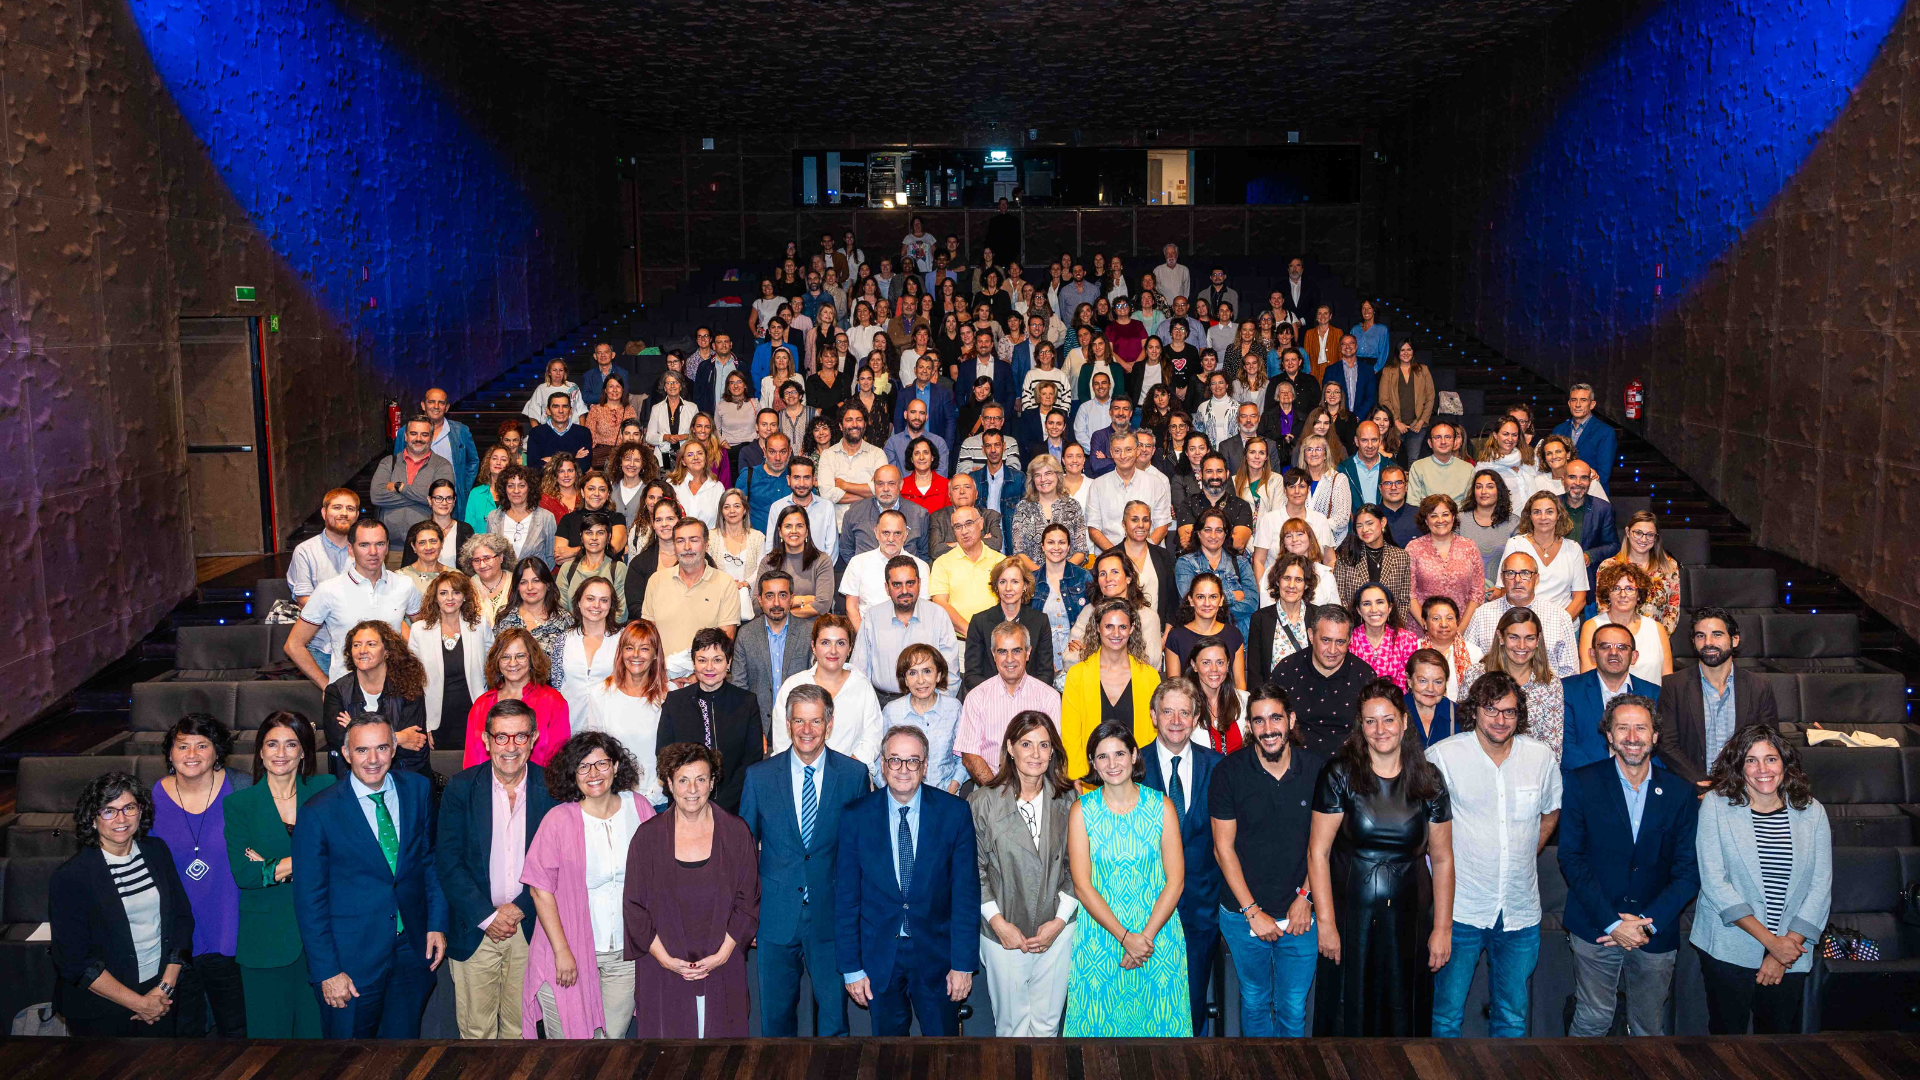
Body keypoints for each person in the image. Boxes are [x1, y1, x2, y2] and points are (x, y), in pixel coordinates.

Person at [1307, 679, 1454, 1036]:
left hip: (1412, 920)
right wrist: (1325, 923)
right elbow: (1318, 851)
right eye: (1370, 721)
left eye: (1388, 719)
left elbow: (1444, 859)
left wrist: (1442, 929)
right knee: (1347, 1015)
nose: (1380, 729)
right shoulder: (1339, 774)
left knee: (1405, 1014)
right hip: (1348, 918)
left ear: (1405, 722)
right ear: (1361, 726)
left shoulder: (1429, 779)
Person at [1425, 671, 1561, 1038]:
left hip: (1520, 911)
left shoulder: (1540, 757)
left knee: (1513, 1017)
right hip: (1460, 910)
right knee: (1446, 1017)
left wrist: (1529, 848)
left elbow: (1551, 810)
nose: (1501, 720)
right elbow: (1423, 826)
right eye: (1491, 710)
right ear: (1474, 712)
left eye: (1510, 712)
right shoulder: (1443, 757)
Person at [294, 714, 448, 1039]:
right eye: (362, 750)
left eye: (381, 747)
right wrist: (327, 971)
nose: (373, 759)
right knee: (349, 1060)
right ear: (346, 754)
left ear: (394, 747)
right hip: (350, 963)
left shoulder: (418, 789)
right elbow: (310, 902)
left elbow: (429, 861)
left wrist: (435, 923)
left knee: (402, 1054)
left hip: (411, 950)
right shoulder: (318, 812)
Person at [1558, 694, 1699, 1036]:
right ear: (1609, 735)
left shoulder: (1680, 793)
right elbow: (1571, 858)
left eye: (1641, 728)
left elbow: (1688, 872)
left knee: (1649, 1027)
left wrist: (1647, 926)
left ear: (1655, 736)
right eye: (1623, 728)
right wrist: (1611, 923)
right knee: (1593, 1019)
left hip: (1656, 930)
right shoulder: (1581, 782)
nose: (1632, 737)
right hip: (1595, 926)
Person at [738, 685, 872, 1037]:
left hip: (832, 917)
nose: (807, 730)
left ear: (829, 723)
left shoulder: (854, 776)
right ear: (787, 723)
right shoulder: (760, 776)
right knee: (776, 1021)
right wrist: (747, 915)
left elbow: (863, 855)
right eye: (799, 720)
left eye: (815, 720)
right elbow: (745, 851)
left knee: (834, 1021)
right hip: (775, 916)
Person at [835, 725, 980, 1036]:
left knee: (944, 1058)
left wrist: (963, 964)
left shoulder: (954, 813)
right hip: (878, 959)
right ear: (883, 765)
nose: (903, 769)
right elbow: (846, 898)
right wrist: (851, 968)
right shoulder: (855, 816)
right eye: (895, 760)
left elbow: (966, 896)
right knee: (888, 1060)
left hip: (938, 958)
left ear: (925, 766)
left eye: (912, 761)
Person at [1690, 725, 1832, 1035]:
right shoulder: (1716, 805)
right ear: (1738, 766)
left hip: (1793, 949)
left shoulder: (1812, 812)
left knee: (1778, 1044)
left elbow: (1820, 887)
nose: (1762, 769)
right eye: (1751, 760)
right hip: (1728, 948)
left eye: (1771, 759)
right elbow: (1715, 882)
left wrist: (1785, 949)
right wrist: (1771, 944)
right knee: (1728, 1041)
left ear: (1785, 763)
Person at [520, 731, 656, 1039]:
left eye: (601, 764)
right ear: (573, 774)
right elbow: (540, 890)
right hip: (567, 953)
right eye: (583, 766)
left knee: (609, 1046)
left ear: (617, 766)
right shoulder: (558, 820)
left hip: (626, 953)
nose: (593, 773)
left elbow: (659, 878)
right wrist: (563, 951)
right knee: (569, 1052)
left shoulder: (640, 809)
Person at [436, 700, 559, 1039]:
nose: (511, 747)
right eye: (501, 737)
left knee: (521, 1032)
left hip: (530, 929)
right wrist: (488, 917)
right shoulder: (460, 788)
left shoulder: (552, 789)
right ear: (485, 740)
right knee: (477, 1033)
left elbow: (557, 865)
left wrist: (518, 909)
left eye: (520, 737)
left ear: (533, 739)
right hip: (475, 928)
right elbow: (448, 861)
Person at [621, 742, 760, 1038]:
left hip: (723, 965)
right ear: (669, 784)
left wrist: (722, 955)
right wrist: (666, 959)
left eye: (700, 779)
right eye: (683, 780)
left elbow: (748, 901)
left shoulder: (736, 833)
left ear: (712, 782)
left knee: (722, 1060)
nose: (692, 789)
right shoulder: (647, 837)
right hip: (662, 967)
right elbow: (634, 907)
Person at [1063, 720, 1192, 1036]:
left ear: (1134, 755)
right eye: (1102, 756)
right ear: (1093, 763)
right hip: (1102, 941)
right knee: (1098, 1050)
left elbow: (1175, 881)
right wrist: (1126, 938)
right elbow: (1082, 885)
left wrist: (1143, 939)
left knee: (1161, 1049)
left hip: (1157, 940)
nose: (1112, 764)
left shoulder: (1162, 806)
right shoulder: (1082, 811)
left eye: (1119, 753)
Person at [50, 772, 195, 1037]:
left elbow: (182, 920)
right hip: (101, 1009)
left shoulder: (156, 851)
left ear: (140, 812)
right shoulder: (70, 877)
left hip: (161, 996)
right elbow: (74, 962)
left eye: (129, 807)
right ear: (92, 819)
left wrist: (164, 989)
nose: (121, 819)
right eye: (108, 811)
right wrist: (139, 1003)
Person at [969, 710, 1078, 1037]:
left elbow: (1078, 867)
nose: (1035, 753)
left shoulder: (1068, 798)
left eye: (1044, 745)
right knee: (1012, 1028)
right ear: (1010, 748)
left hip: (1057, 931)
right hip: (1002, 932)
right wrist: (1000, 925)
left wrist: (1058, 923)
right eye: (1026, 744)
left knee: (1047, 1027)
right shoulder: (982, 801)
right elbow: (975, 871)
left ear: (1053, 751)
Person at [1132, 678, 1225, 1034]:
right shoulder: (1130, 765)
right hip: (1144, 910)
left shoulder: (1217, 766)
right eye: (1167, 711)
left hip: (1201, 908)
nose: (1175, 720)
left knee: (1192, 1006)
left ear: (1196, 717)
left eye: (1184, 712)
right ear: (1153, 716)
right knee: (1148, 1007)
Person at [146, 714, 248, 1036]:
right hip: (178, 937)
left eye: (202, 745)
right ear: (170, 754)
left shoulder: (242, 788)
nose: (192, 754)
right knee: (186, 1034)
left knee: (237, 1030)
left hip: (232, 927)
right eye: (183, 746)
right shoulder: (150, 799)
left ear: (217, 751)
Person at [285, 518, 422, 689]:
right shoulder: (328, 590)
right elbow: (293, 645)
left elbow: (425, 631)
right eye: (364, 545)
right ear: (351, 548)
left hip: (394, 690)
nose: (373, 552)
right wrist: (327, 686)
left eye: (379, 544)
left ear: (387, 547)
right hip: (346, 692)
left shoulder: (405, 585)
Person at [1655, 607, 1780, 788]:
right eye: (1700, 636)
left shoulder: (1759, 687)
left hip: (1745, 788)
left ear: (1734, 640)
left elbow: (1768, 742)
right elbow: (1666, 743)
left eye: (1717, 635)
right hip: (1692, 788)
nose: (1708, 642)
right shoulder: (1673, 685)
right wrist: (1700, 782)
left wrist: (1737, 783)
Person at [657, 628, 764, 813]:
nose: (709, 668)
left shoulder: (747, 702)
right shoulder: (675, 702)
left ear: (729, 662)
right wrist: (690, 799)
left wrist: (720, 805)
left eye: (717, 660)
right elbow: (664, 758)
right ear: (693, 662)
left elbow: (752, 761)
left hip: (735, 808)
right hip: (684, 807)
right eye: (702, 660)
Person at [1059, 598, 1162, 781]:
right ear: (1097, 628)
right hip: (1090, 783)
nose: (1116, 633)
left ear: (1131, 629)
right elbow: (1071, 737)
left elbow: (1155, 736)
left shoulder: (1149, 676)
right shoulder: (1077, 675)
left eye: (1122, 627)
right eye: (1109, 626)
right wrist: (1076, 780)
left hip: (1139, 783)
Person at [954, 616, 1065, 784]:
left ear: (1028, 653)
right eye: (1002, 651)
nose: (1009, 659)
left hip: (1039, 787)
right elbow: (970, 755)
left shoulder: (1049, 698)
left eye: (1016, 650)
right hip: (990, 788)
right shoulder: (976, 698)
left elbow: (1054, 752)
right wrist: (997, 793)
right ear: (993, 654)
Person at [576, 620, 671, 807]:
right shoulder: (601, 693)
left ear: (655, 655)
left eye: (644, 648)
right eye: (629, 648)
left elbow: (672, 754)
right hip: (613, 800)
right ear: (621, 652)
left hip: (658, 801)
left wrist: (654, 793)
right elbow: (596, 751)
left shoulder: (669, 695)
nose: (635, 655)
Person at [770, 615, 885, 765]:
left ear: (850, 648)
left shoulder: (862, 686)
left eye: (841, 643)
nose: (833, 651)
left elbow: (873, 738)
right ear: (813, 646)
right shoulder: (793, 685)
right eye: (825, 643)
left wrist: (845, 771)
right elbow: (782, 742)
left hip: (850, 776)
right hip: (800, 777)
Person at [323, 621, 430, 778]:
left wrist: (354, 728)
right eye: (357, 645)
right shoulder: (336, 692)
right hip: (352, 779)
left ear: (386, 651)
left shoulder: (409, 687)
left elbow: (414, 743)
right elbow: (339, 741)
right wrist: (399, 737)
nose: (362, 651)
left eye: (371, 644)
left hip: (405, 776)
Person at [1460, 607, 1569, 759]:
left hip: (1529, 768)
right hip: (1478, 762)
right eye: (1514, 637)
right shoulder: (1476, 675)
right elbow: (1464, 727)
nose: (1522, 646)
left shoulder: (1550, 684)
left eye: (1529, 638)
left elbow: (1552, 745)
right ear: (1501, 637)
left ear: (1538, 640)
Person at [1268, 606, 1377, 757]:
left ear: (1350, 640)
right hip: (1295, 765)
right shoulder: (1286, 671)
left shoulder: (1364, 676)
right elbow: (1270, 725)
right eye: (1326, 640)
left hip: (1349, 766)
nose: (1332, 650)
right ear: (1311, 636)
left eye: (1340, 642)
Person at [1561, 622, 1664, 774]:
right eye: (1605, 646)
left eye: (1622, 647)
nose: (1613, 652)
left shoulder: (1654, 693)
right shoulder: (1568, 689)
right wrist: (1602, 778)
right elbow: (1565, 746)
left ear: (1634, 656)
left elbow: (1659, 748)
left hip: (1639, 782)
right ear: (1592, 654)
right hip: (1585, 780)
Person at [462, 628, 572, 769]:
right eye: (505, 657)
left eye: (520, 656)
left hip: (539, 787)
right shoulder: (481, 705)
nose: (513, 663)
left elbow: (559, 762)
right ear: (497, 661)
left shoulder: (553, 702)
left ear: (532, 659)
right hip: (486, 788)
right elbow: (470, 760)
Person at [641, 518, 743, 667]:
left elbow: (725, 642)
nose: (687, 547)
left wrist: (696, 676)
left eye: (694, 540)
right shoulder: (656, 581)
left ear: (706, 545)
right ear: (674, 546)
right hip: (661, 677)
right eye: (680, 541)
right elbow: (647, 637)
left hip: (706, 679)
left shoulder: (725, 584)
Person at [729, 570, 816, 739]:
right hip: (759, 727)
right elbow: (739, 688)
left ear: (792, 598)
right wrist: (751, 728)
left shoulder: (809, 633)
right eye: (769, 596)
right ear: (760, 600)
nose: (776, 602)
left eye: (782, 595)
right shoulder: (746, 635)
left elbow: (816, 685)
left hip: (801, 728)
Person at [1465, 551, 1580, 677]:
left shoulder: (1559, 617)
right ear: (1502, 579)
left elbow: (1570, 672)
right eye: (1510, 573)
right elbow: (1468, 663)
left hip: (1545, 693)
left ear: (1536, 579)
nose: (1517, 580)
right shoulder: (1482, 615)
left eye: (1525, 573)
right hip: (1493, 692)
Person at [961, 556, 1055, 695]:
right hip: (990, 700)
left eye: (1015, 582)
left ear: (1024, 586)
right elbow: (972, 675)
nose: (1008, 588)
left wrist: (1021, 694)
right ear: (996, 586)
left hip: (1030, 701)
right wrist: (1001, 695)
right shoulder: (979, 622)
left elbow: (1046, 673)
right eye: (1003, 582)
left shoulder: (1040, 621)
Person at [880, 643, 967, 793]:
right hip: (900, 797)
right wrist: (891, 791)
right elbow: (878, 760)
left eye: (927, 671)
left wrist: (953, 787)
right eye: (912, 673)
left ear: (938, 675)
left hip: (945, 796)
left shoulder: (954, 709)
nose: (920, 680)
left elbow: (963, 757)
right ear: (905, 680)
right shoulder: (891, 712)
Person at [1579, 561, 1673, 685]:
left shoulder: (1657, 629)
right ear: (1608, 595)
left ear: (1639, 595)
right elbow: (1588, 679)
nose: (1622, 594)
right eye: (1616, 588)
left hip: (1652, 702)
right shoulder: (1592, 627)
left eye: (1629, 589)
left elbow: (1668, 681)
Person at [1503, 491, 1589, 622]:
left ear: (1558, 515)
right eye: (1537, 512)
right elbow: (1506, 590)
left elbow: (1580, 598)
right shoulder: (1515, 544)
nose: (1543, 517)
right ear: (1529, 516)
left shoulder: (1573, 549)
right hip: (1523, 626)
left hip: (1564, 625)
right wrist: (1528, 627)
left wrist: (1559, 625)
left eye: (1549, 512)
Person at [1405, 494, 1484, 629]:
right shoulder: (1413, 548)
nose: (1440, 520)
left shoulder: (1469, 547)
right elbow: (1408, 593)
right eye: (1434, 515)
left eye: (1445, 514)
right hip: (1422, 629)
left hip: (1463, 627)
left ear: (1453, 517)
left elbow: (1477, 592)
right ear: (1426, 520)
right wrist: (1427, 626)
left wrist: (1461, 628)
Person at [373, 416, 457, 541]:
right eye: (413, 434)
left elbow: (441, 499)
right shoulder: (388, 462)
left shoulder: (442, 465)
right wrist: (426, 496)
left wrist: (400, 487)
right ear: (406, 437)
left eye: (424, 434)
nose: (418, 439)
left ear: (431, 437)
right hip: (390, 548)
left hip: (428, 546)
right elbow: (376, 496)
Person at [493, 557, 573, 686]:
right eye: (523, 582)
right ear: (517, 587)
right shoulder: (504, 616)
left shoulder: (564, 620)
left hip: (549, 695)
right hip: (511, 695)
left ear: (547, 584)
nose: (530, 587)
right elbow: (495, 661)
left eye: (536, 580)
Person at [1331, 503, 1414, 617]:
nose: (1365, 529)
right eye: (1359, 526)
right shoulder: (1346, 557)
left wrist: (1396, 630)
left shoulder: (1401, 557)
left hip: (1390, 628)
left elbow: (1403, 601)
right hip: (1354, 627)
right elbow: (1339, 597)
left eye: (1370, 523)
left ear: (1383, 522)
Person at [838, 465, 931, 564]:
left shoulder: (919, 514)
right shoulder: (854, 512)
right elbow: (846, 550)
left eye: (891, 484)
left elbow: (923, 554)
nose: (885, 489)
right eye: (880, 484)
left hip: (904, 577)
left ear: (901, 485)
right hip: (867, 576)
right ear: (874, 486)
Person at [1346, 582, 1422, 693]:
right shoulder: (1348, 639)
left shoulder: (1406, 639)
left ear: (1390, 607)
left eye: (1380, 602)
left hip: (1396, 705)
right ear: (1359, 610)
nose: (1374, 609)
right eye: (1366, 604)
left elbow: (1406, 685)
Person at [1457, 469, 1521, 588]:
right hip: (1464, 590)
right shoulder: (1460, 520)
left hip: (1502, 592)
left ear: (1499, 491)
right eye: (1479, 487)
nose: (1483, 491)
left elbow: (1519, 563)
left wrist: (1501, 588)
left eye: (1490, 487)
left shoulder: (1514, 523)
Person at [1376, 339, 1434, 461]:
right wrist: (1396, 422)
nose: (1406, 353)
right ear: (1397, 353)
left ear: (1413, 352)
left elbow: (1430, 397)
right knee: (1395, 458)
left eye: (1409, 349)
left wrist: (1421, 421)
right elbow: (1383, 400)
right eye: (1402, 350)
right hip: (1395, 426)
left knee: (1413, 460)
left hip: (1417, 425)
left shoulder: (1423, 370)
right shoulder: (1388, 372)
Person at [1552, 383, 1617, 488]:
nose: (1577, 404)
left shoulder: (1605, 432)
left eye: (1583, 400)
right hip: (1561, 491)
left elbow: (1603, 474)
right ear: (1569, 404)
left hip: (1591, 494)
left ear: (1592, 404)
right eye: (1574, 400)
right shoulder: (1558, 430)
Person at [1407, 421, 1473, 506]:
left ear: (1454, 442)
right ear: (1430, 443)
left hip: (1459, 517)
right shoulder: (1418, 467)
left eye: (1448, 437)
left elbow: (1469, 504)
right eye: (1438, 437)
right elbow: (1413, 503)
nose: (1443, 442)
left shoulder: (1468, 468)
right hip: (1427, 517)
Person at [1405, 648, 1461, 747]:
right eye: (1423, 681)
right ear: (1409, 680)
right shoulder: (1395, 711)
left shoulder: (1459, 715)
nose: (1430, 689)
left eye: (1438, 682)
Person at [527, 393, 595, 470]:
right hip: (545, 481)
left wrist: (551, 460)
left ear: (570, 411)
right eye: (555, 406)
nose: (561, 411)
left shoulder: (583, 433)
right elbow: (533, 466)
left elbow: (584, 465)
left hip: (575, 482)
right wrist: (574, 459)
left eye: (565, 406)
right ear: (548, 411)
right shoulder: (536, 433)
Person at [521, 358, 587, 422]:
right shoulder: (541, 388)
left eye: (561, 370)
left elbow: (581, 410)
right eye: (554, 370)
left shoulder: (573, 387)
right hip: (548, 430)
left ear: (564, 372)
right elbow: (532, 412)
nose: (558, 373)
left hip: (572, 428)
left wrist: (581, 431)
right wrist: (536, 431)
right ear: (549, 372)